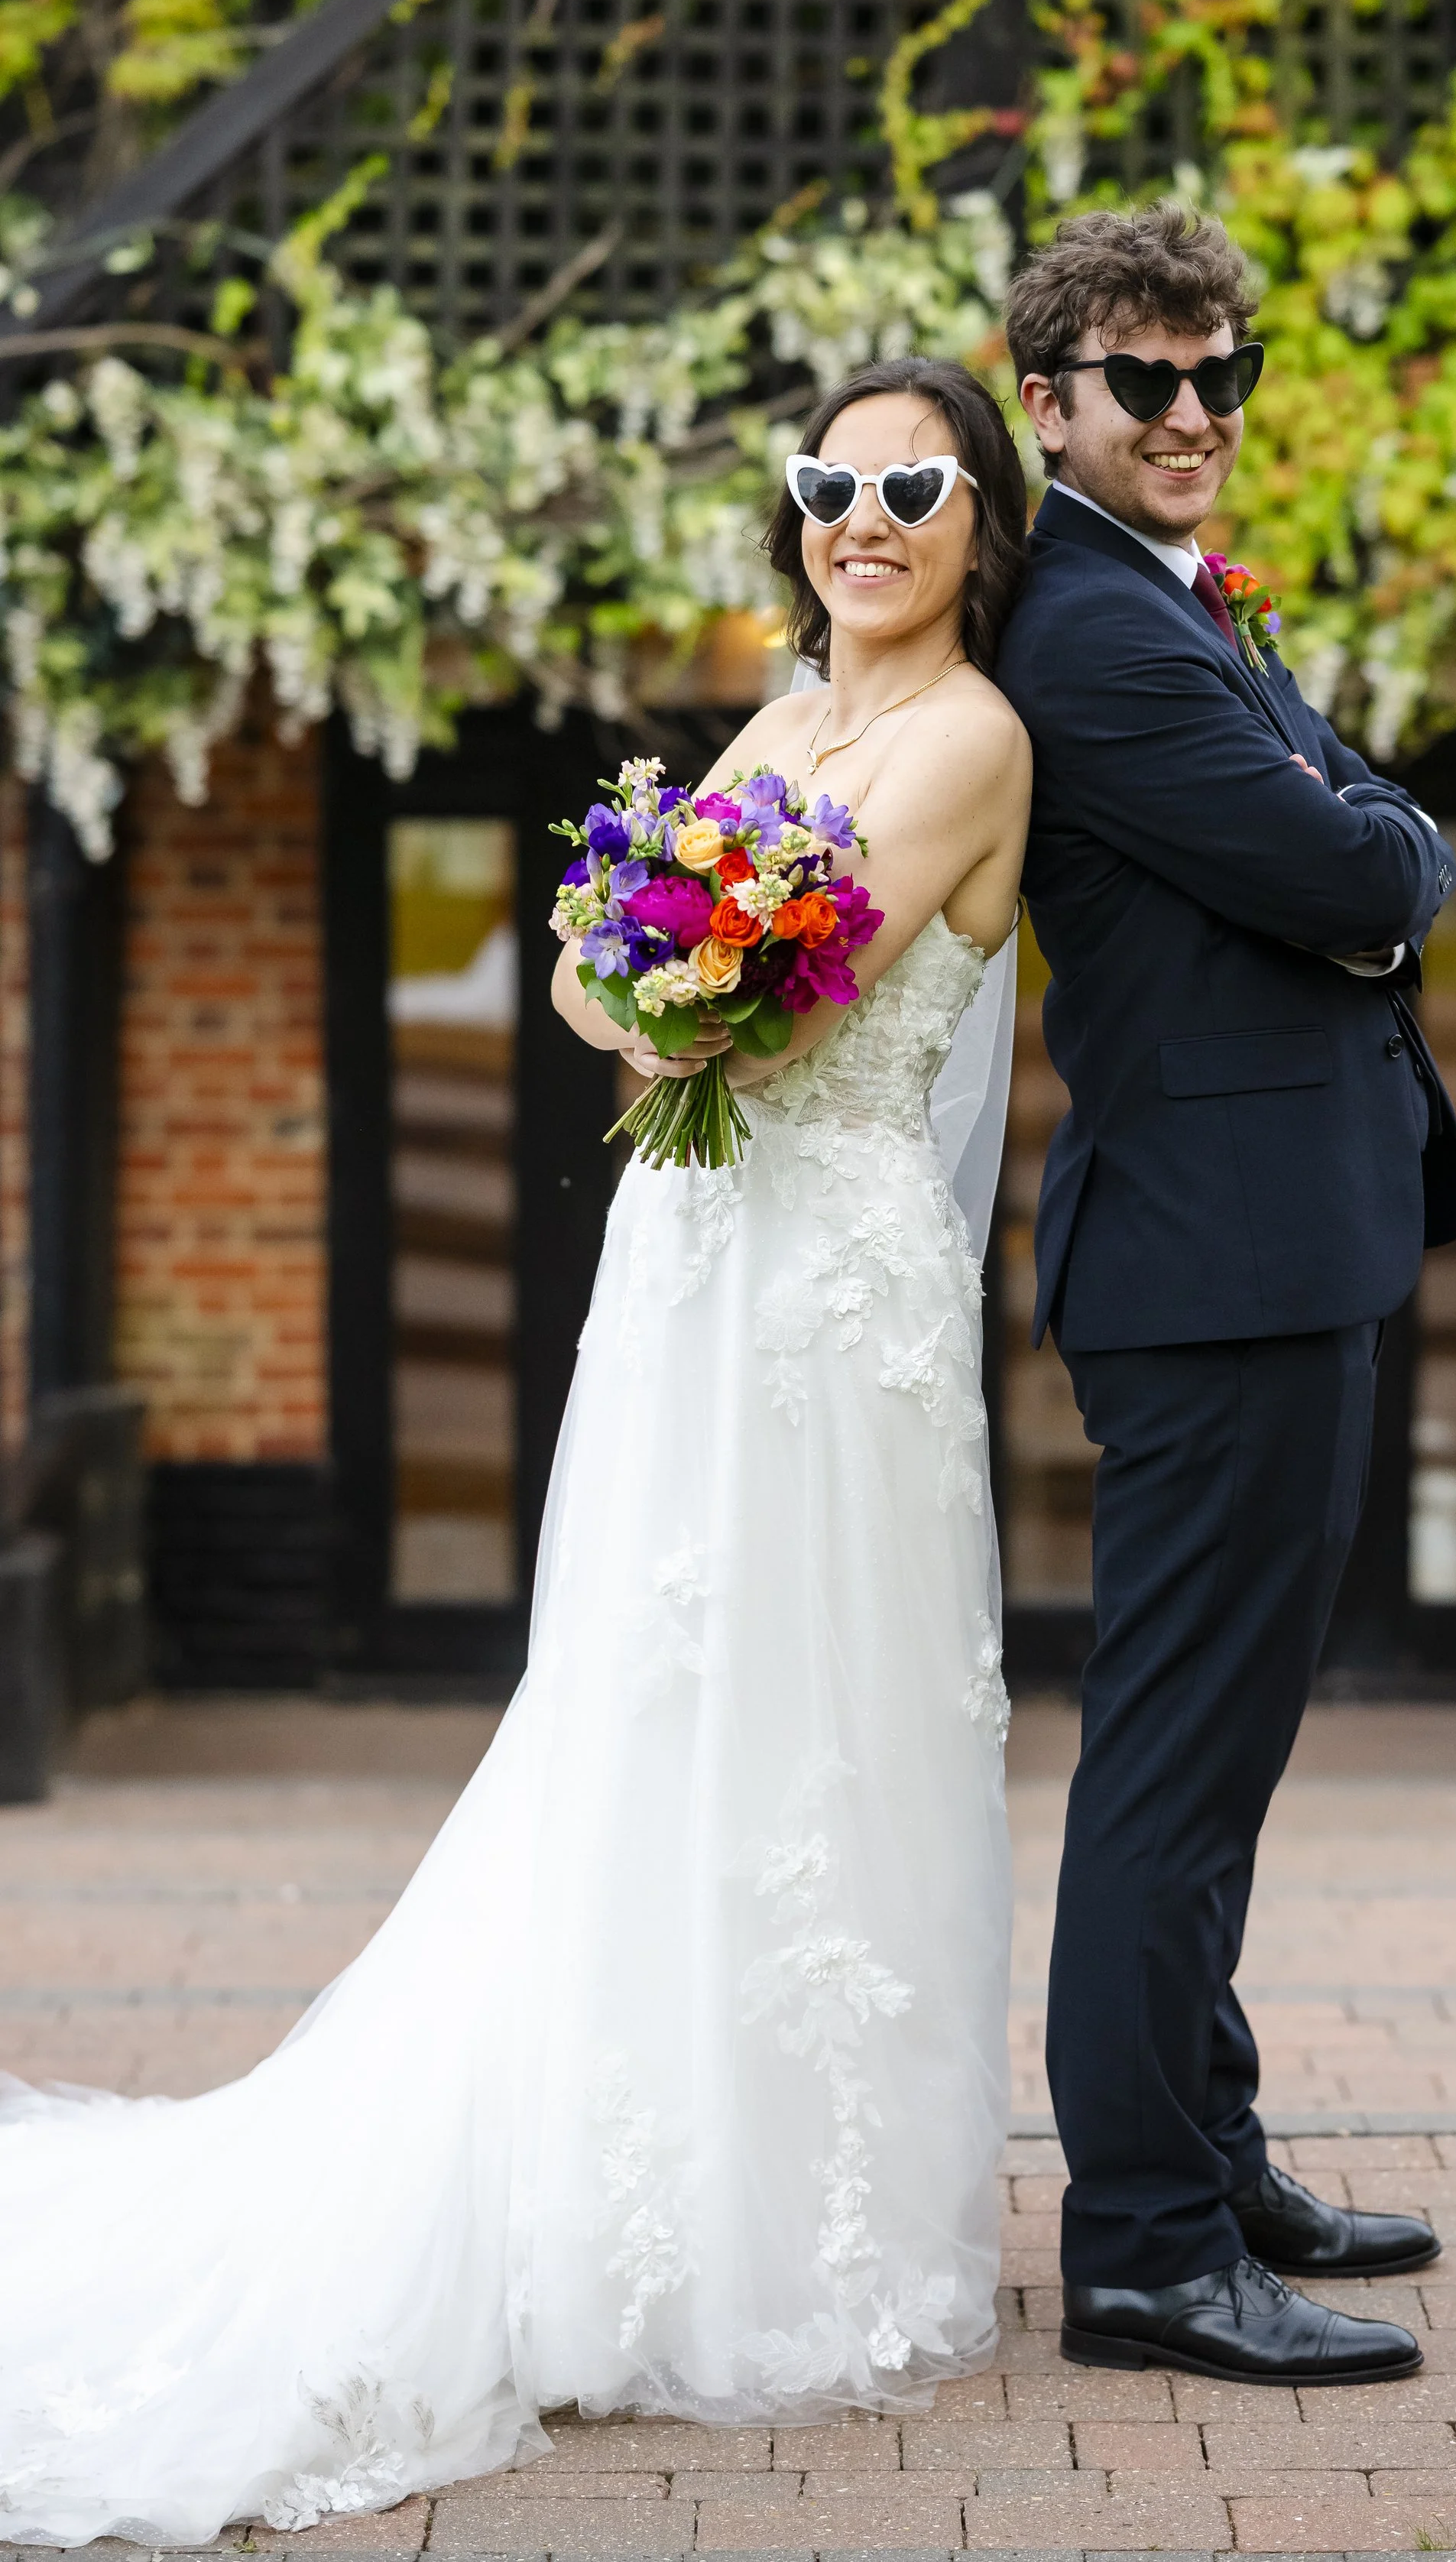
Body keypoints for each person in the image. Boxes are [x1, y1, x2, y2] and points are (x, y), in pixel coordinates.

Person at [0, 357, 1033, 2544]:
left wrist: (659, 969)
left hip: (824, 1313)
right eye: (827, 483)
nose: (863, 517)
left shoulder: (963, 739)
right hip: (694, 1275)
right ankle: (626, 2200)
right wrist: (653, 965)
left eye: (912, 485)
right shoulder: (785, 719)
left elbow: (760, 1007)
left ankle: (794, 2229)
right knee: (644, 1715)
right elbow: (615, 974)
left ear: (981, 522)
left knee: (810, 1732)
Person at [993, 203, 1456, 2389]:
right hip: (1214, 1261)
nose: (1192, 414)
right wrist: (1378, 887)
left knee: (1216, 1755)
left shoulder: (1170, 604)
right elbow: (1352, 856)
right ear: (1047, 407)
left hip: (1265, 1243)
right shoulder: (1095, 636)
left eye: (1219, 376)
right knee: (1174, 1768)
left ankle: (1215, 2148)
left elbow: (1363, 821)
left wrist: (1368, 859)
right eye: (1142, 379)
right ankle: (1146, 2241)